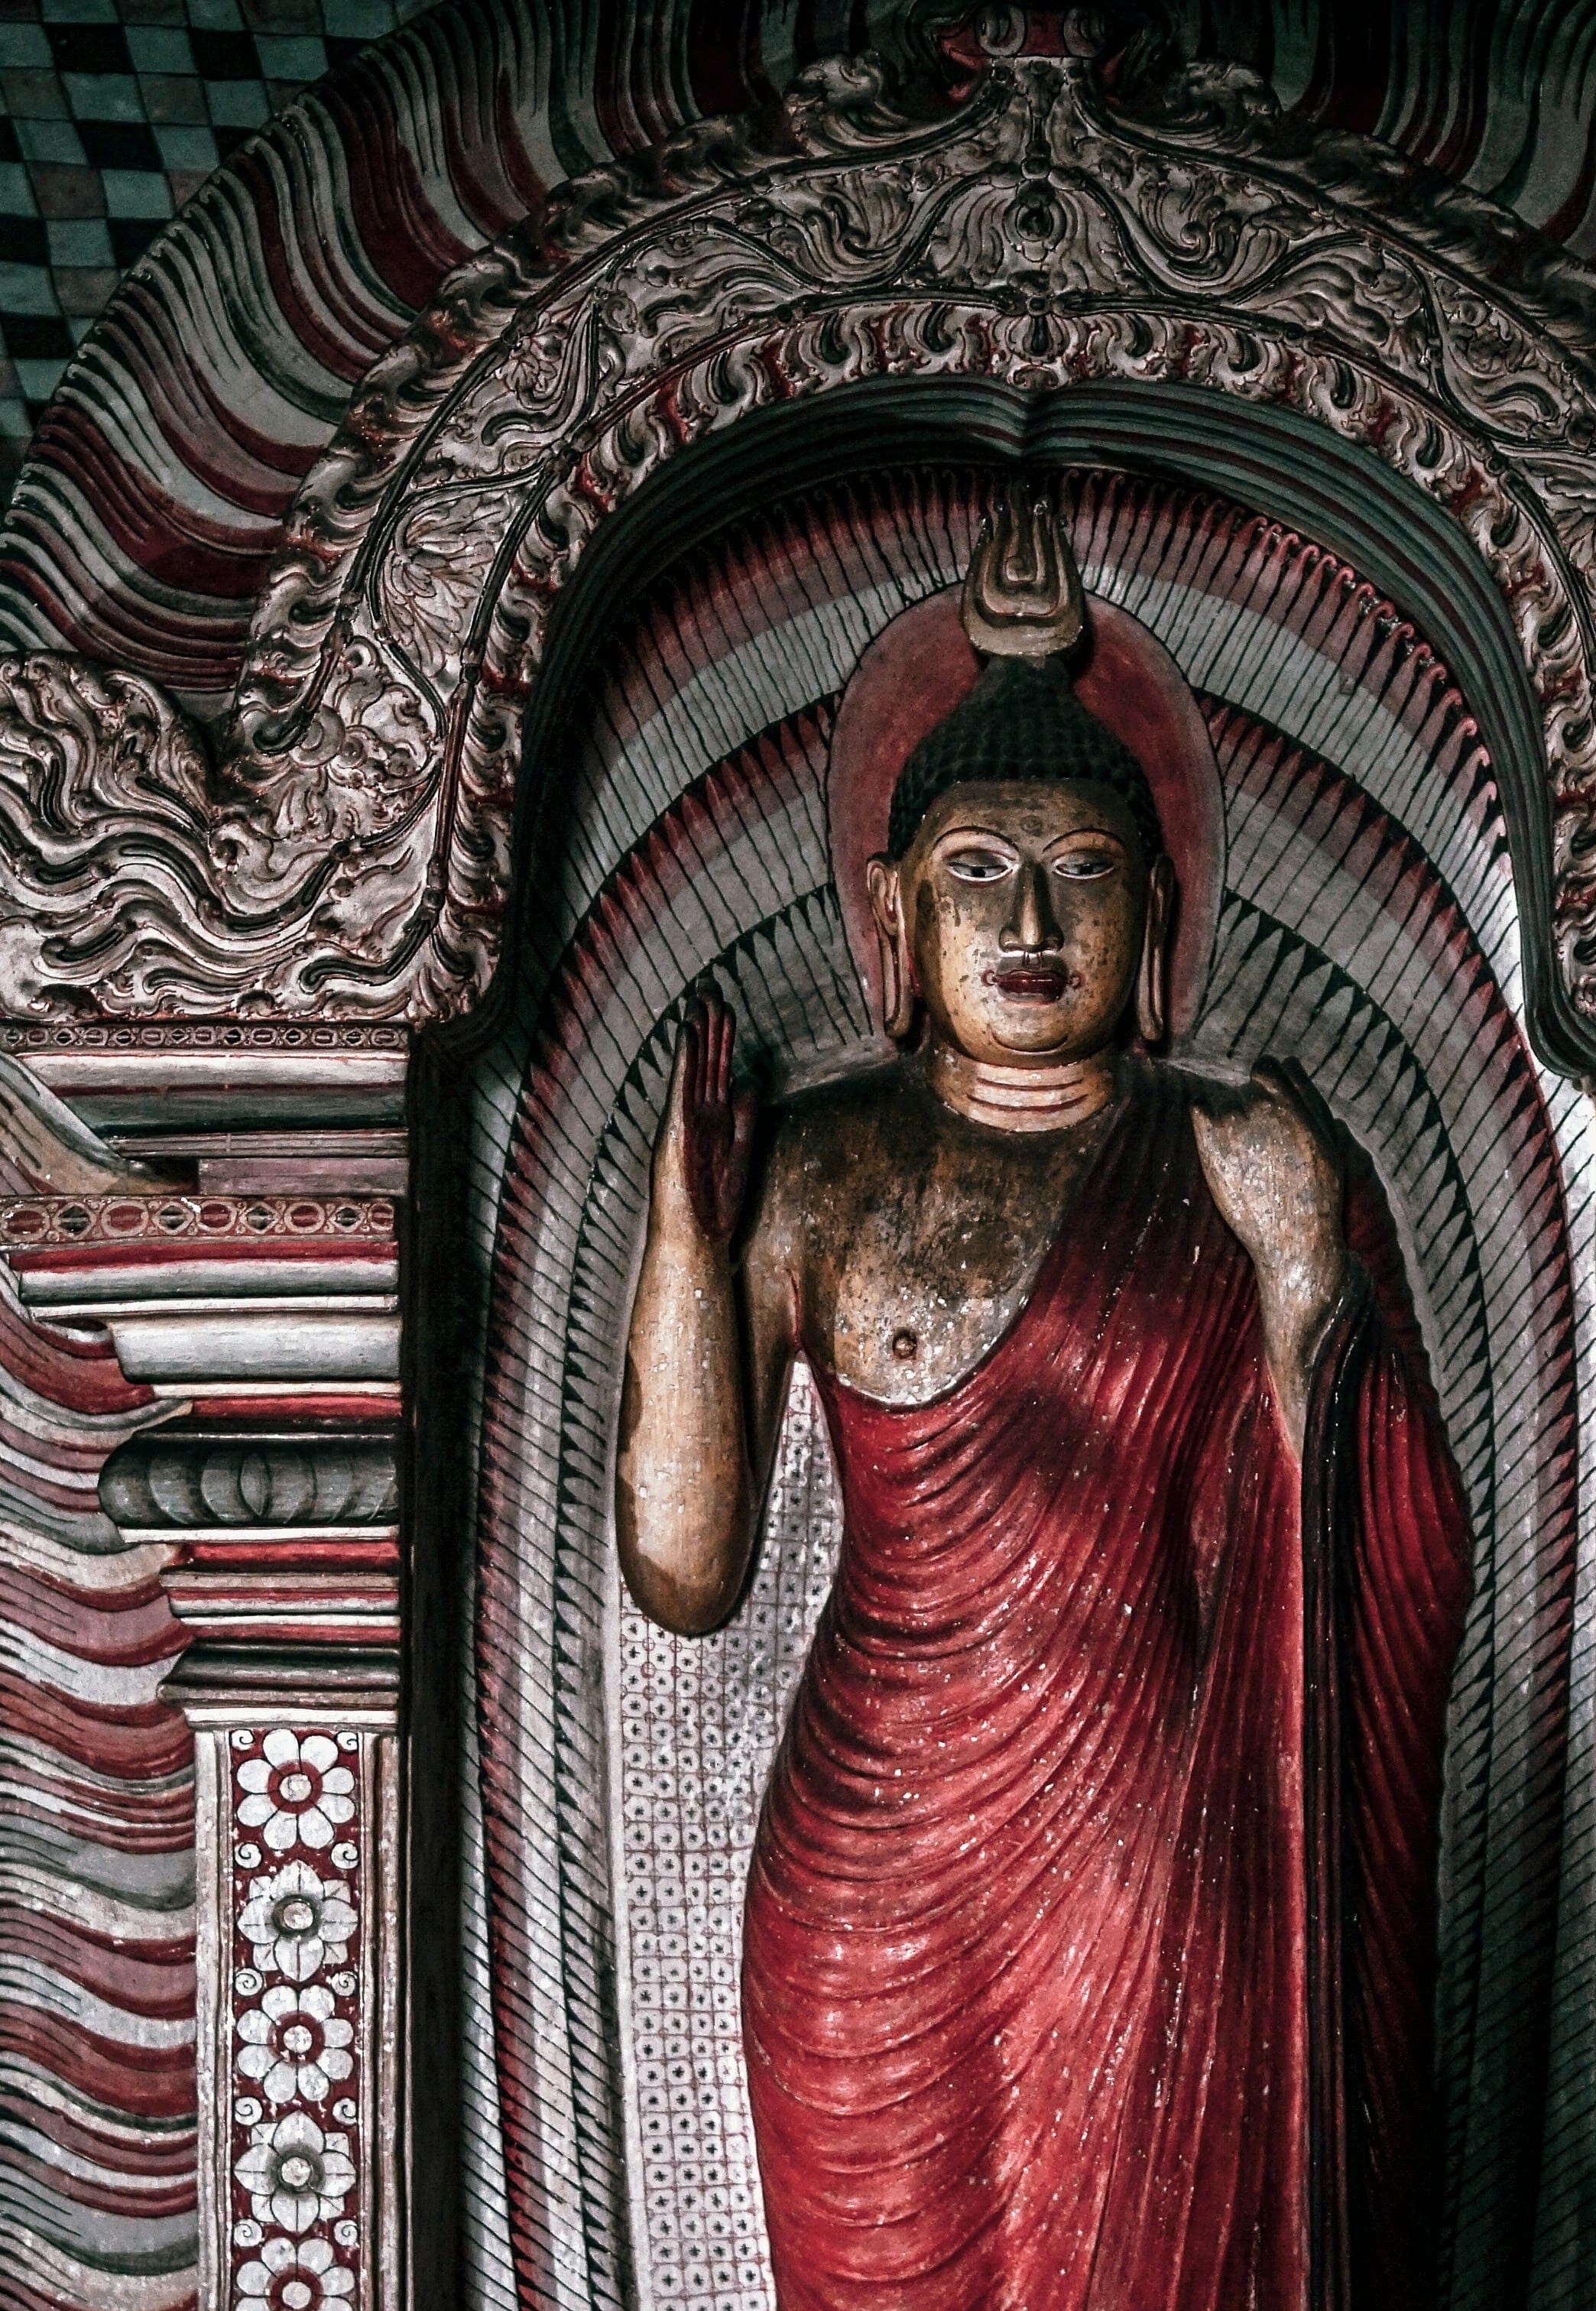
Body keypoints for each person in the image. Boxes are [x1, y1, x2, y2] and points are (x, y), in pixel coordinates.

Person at [612, 487, 1470, 2306]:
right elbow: (684, 1571)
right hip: (870, 1866)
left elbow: (1392, 1548)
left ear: (1158, 913)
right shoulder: (818, 1169)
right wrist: (687, 1239)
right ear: (893, 914)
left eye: (1082, 873)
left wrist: (1306, 1275)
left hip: (1152, 1839)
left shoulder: (1237, 1158)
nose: (1029, 918)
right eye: (977, 873)